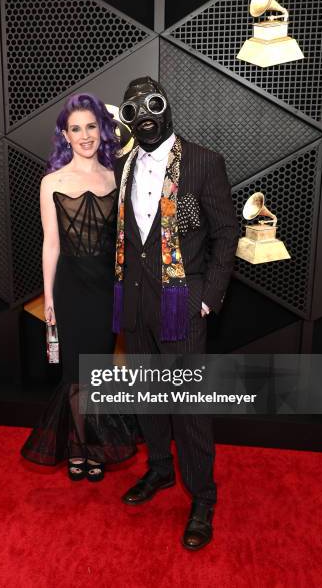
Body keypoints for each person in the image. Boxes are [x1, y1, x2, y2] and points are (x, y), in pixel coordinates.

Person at [112, 77, 240, 549]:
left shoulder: (205, 162)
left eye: (151, 103)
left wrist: (207, 296)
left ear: (165, 107)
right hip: (136, 303)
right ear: (128, 116)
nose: (144, 115)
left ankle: (203, 497)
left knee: (189, 411)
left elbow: (227, 234)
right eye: (134, 108)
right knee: (147, 398)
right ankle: (160, 472)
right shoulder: (123, 166)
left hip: (180, 304)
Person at [21, 93, 138, 481]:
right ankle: (78, 448)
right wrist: (49, 297)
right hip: (70, 289)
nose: (85, 135)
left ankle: (93, 447)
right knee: (74, 375)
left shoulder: (115, 177)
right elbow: (50, 242)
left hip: (106, 289)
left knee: (98, 371)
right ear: (65, 136)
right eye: (76, 128)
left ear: (101, 131)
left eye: (91, 126)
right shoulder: (51, 182)